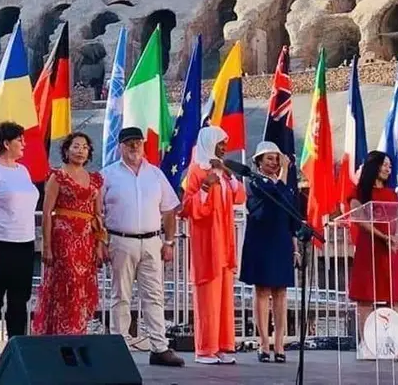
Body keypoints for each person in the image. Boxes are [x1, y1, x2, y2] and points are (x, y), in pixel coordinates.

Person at [101, 127, 185, 367]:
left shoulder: (156, 175)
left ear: (144, 145)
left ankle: (159, 347)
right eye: (129, 143)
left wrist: (169, 242)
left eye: (138, 142)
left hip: (152, 241)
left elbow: (169, 209)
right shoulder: (108, 175)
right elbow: (97, 212)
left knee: (154, 296)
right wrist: (101, 241)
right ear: (120, 146)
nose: (134, 147)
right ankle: (121, 346)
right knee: (121, 296)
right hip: (120, 239)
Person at [0, 122, 41, 373]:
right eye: (20, 140)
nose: (24, 144)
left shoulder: (23, 171)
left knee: (19, 302)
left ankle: (17, 350)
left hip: (24, 244)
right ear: (6, 143)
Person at [180, 126, 245, 364]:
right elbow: (187, 208)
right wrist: (206, 187)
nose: (225, 148)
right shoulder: (196, 171)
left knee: (225, 297)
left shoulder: (224, 172)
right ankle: (205, 349)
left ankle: (223, 346)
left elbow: (239, 197)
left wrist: (230, 176)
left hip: (224, 242)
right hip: (206, 243)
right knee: (207, 297)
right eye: (221, 143)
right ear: (210, 143)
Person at [32, 132, 106, 335]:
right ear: (66, 150)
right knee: (67, 285)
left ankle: (79, 331)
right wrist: (46, 246)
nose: (80, 150)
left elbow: (98, 214)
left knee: (83, 286)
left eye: (84, 147)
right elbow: (47, 213)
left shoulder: (95, 179)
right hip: (64, 237)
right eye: (76, 146)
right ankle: (61, 331)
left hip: (87, 239)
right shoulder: (58, 177)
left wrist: (99, 244)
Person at [346, 151, 398, 360]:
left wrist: (396, 236)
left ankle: (396, 345)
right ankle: (368, 344)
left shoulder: (393, 194)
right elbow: (359, 218)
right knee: (366, 297)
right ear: (374, 166)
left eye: (390, 166)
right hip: (370, 247)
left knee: (394, 298)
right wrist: (383, 236)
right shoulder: (359, 192)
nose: (388, 169)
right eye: (384, 165)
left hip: (391, 249)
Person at [239, 141, 300, 363]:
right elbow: (275, 195)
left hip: (281, 239)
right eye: (270, 159)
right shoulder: (254, 181)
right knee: (263, 290)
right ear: (258, 162)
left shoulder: (286, 184)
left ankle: (280, 342)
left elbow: (291, 212)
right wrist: (284, 171)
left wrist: (295, 245)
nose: (275, 162)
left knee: (281, 292)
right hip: (261, 239)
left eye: (277, 158)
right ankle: (264, 341)